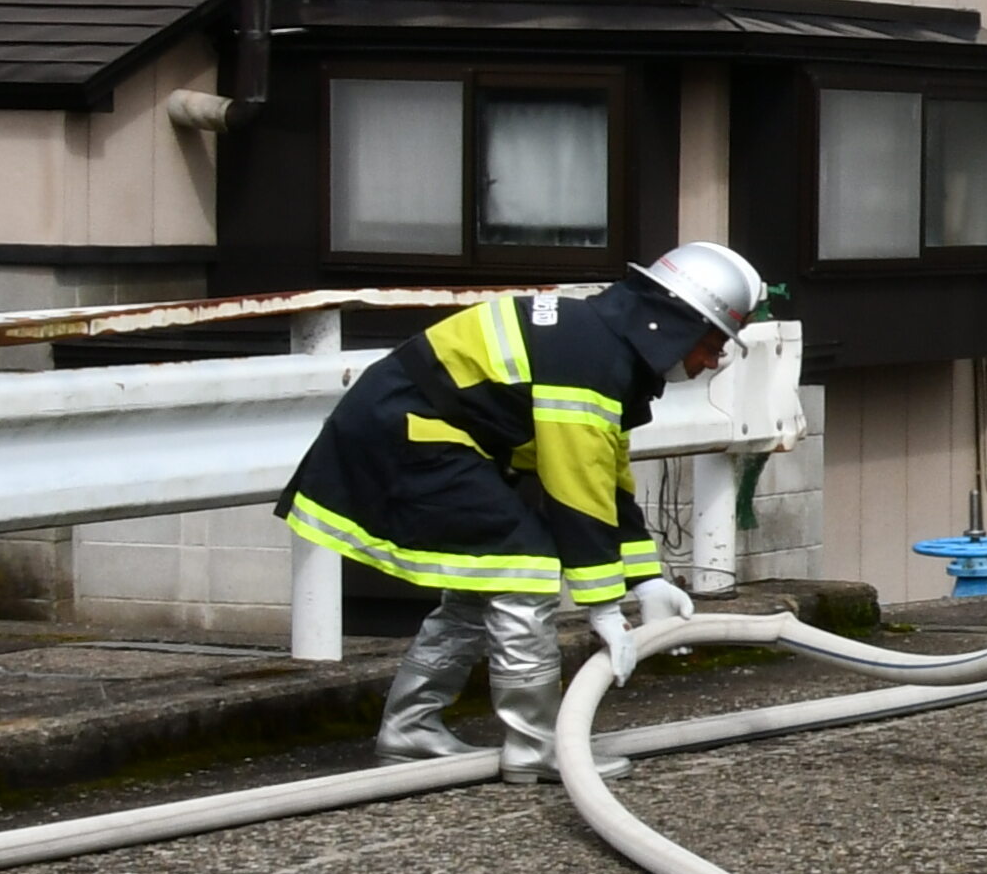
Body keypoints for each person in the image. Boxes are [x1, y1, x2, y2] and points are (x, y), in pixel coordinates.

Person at [285, 242, 762, 763]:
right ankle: (535, 747)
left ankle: (411, 727)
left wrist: (644, 579)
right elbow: (576, 484)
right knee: (525, 563)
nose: (711, 361)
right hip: (407, 437)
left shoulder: (602, 346)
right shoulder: (591, 357)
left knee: (488, 577)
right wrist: (602, 605)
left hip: (410, 431)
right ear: (675, 324)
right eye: (713, 344)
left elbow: (605, 477)